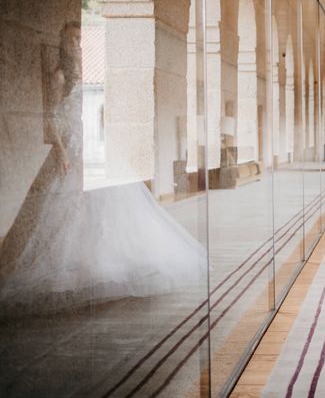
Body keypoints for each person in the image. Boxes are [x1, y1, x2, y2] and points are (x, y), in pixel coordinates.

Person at [0, 22, 206, 316]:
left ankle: (104, 260)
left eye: (80, 39)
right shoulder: (60, 77)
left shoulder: (84, 74)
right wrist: (60, 151)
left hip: (91, 145)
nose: (76, 44)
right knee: (62, 210)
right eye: (71, 39)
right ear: (63, 43)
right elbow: (51, 119)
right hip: (69, 148)